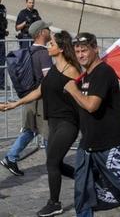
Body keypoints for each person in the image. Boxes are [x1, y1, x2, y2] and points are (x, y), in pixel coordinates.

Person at [63, 32, 120, 217]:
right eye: (77, 51)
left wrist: (73, 90)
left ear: (95, 49)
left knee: (118, 189)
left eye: (84, 50)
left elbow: (91, 105)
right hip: (88, 144)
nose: (80, 55)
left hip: (109, 144)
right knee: (82, 192)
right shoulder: (86, 75)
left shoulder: (103, 72)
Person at [1, 31, 81, 217]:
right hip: (53, 122)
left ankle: (54, 203)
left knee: (52, 162)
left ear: (60, 49)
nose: (48, 47)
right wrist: (15, 104)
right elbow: (39, 91)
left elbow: (81, 98)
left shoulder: (72, 70)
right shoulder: (54, 69)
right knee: (57, 164)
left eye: (51, 44)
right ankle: (87, 179)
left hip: (67, 123)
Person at [1, 19, 52, 177]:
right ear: (41, 33)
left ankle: (11, 157)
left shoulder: (30, 50)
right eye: (47, 28)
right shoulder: (44, 54)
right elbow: (48, 81)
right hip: (40, 99)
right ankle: (55, 164)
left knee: (30, 130)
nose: (50, 31)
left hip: (29, 97)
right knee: (49, 132)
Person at [0, 0, 9, 88]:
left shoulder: (3, 8)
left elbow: (3, 22)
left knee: (2, 60)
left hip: (2, 37)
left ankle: (1, 83)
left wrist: (4, 31)